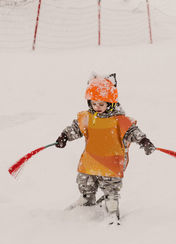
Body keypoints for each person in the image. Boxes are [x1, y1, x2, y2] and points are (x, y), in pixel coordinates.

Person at [55, 73, 155, 225]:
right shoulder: (87, 117)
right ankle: (86, 200)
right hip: (89, 161)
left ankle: (112, 210)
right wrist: (64, 136)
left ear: (111, 103)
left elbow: (132, 131)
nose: (97, 107)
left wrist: (144, 140)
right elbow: (75, 128)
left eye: (101, 104)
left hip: (111, 163)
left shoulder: (119, 120)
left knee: (110, 189)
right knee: (85, 182)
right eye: (94, 104)